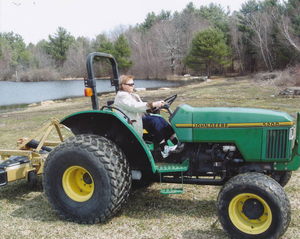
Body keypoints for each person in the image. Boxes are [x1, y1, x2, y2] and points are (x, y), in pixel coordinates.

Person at [114, 75, 180, 158]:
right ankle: (164, 149)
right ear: (123, 85)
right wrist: (153, 104)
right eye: (130, 84)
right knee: (154, 121)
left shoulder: (132, 95)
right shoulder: (122, 96)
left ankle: (176, 143)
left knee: (160, 118)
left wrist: (155, 106)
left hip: (137, 118)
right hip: (129, 122)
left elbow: (142, 107)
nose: (133, 86)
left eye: (133, 84)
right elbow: (135, 106)